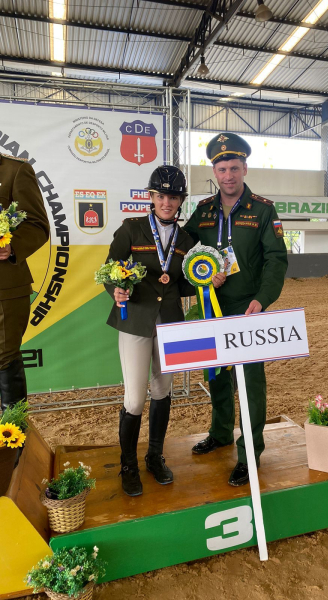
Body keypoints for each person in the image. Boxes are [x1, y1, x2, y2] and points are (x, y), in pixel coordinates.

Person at [184, 133, 288, 487]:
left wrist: (263, 299)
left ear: (244, 168)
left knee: (249, 384)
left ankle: (249, 455)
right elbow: (184, 248)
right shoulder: (203, 211)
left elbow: (276, 259)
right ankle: (220, 433)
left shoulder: (263, 210)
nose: (227, 175)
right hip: (211, 306)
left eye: (233, 168)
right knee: (215, 375)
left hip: (247, 310)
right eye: (221, 169)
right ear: (214, 171)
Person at [105, 166, 195, 497]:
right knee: (134, 398)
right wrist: (115, 289)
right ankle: (128, 465)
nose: (166, 203)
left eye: (173, 197)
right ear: (151, 197)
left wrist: (201, 282)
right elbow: (110, 268)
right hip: (135, 320)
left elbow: (186, 283)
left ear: (181, 200)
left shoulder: (187, 240)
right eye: (160, 196)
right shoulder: (132, 228)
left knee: (162, 390)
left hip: (169, 321)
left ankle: (154, 457)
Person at [0, 153, 50, 412]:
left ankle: (13, 431)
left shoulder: (15, 170)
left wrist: (12, 246)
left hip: (5, 289)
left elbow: (37, 225)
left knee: (4, 357)